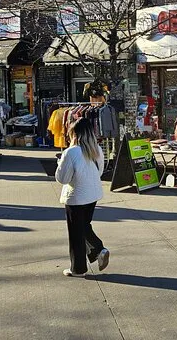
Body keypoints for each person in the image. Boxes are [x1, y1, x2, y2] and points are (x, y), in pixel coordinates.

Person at [55, 118, 109, 277]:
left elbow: (62, 178)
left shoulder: (71, 152)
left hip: (76, 196)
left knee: (76, 233)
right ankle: (97, 251)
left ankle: (81, 265)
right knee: (83, 226)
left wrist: (60, 163)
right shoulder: (97, 150)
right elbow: (99, 172)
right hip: (93, 195)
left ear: (74, 134)